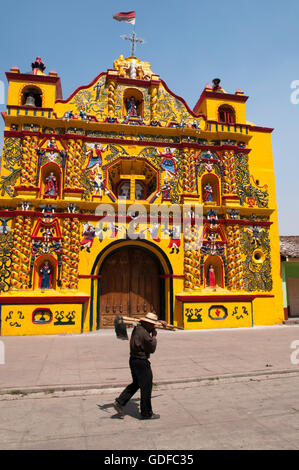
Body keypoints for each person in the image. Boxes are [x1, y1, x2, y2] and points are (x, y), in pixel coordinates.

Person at [114, 312, 165, 420]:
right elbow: (152, 348)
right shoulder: (144, 334)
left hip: (133, 360)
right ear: (147, 323)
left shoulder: (139, 328)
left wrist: (159, 323)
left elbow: (148, 329)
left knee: (137, 383)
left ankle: (120, 402)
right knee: (146, 387)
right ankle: (146, 413)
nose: (153, 326)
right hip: (141, 362)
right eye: (152, 324)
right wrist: (154, 336)